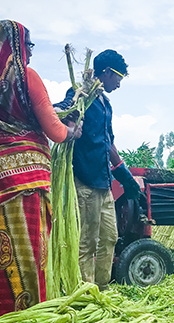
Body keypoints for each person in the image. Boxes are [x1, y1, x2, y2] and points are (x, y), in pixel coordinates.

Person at [0, 20, 82, 323]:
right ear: (17, 45)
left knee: (0, 249)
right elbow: (54, 130)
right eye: (29, 46)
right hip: (29, 181)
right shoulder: (27, 78)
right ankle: (27, 318)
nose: (31, 54)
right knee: (31, 253)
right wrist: (72, 130)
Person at [54, 50, 140, 292]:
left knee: (110, 237)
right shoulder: (80, 96)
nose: (120, 83)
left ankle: (103, 288)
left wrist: (123, 174)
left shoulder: (105, 104)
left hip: (104, 184)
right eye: (119, 77)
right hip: (86, 181)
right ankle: (86, 293)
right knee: (87, 243)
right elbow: (63, 117)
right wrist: (66, 121)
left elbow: (107, 142)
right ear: (107, 72)